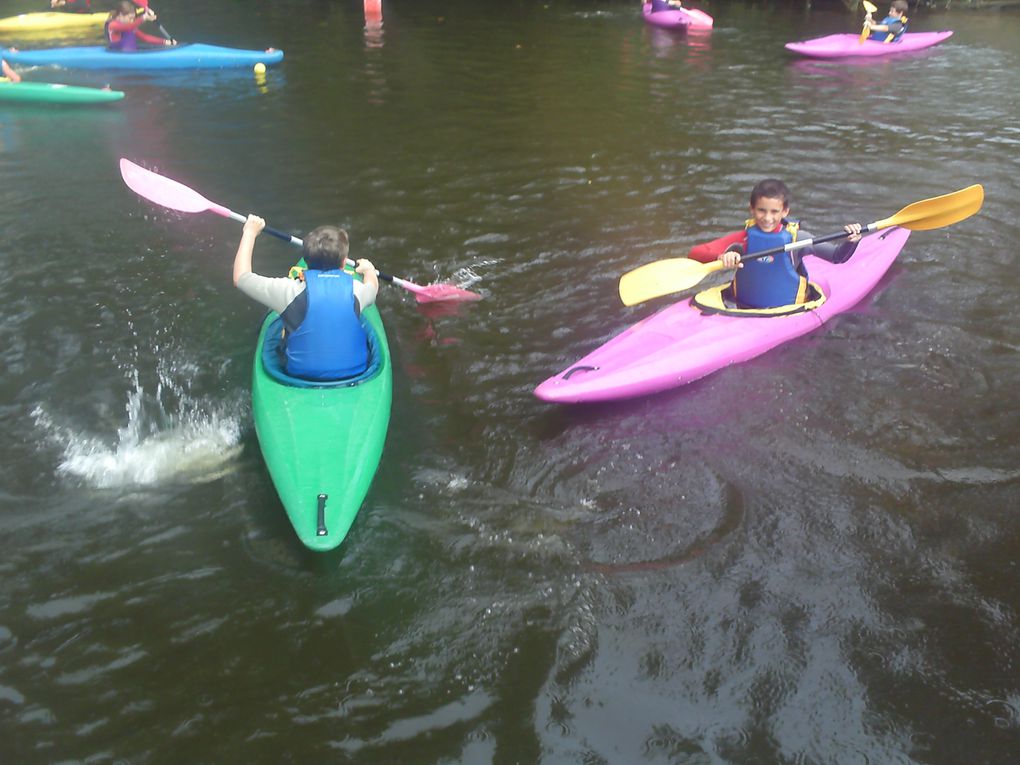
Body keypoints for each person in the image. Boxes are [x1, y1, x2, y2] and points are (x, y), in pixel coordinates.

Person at [233, 215, 380, 381]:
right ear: (344, 262)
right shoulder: (357, 289)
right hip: (355, 372)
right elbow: (373, 288)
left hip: (299, 374)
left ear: (307, 260)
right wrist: (369, 270)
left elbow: (241, 278)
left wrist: (250, 232)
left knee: (285, 325)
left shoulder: (287, 290)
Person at [687, 179, 863, 310]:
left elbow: (837, 256)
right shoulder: (743, 238)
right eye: (761, 210)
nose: (767, 218)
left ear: (785, 211)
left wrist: (851, 242)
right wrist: (723, 256)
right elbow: (696, 253)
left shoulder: (798, 239)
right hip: (742, 308)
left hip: (786, 312)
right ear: (752, 209)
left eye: (774, 212)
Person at [105, 1, 173, 51]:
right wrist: (144, 17)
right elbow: (129, 27)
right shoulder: (113, 25)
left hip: (131, 53)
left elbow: (145, 38)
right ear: (120, 15)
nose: (132, 20)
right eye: (130, 18)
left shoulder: (129, 25)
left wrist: (165, 42)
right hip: (119, 55)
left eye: (133, 18)